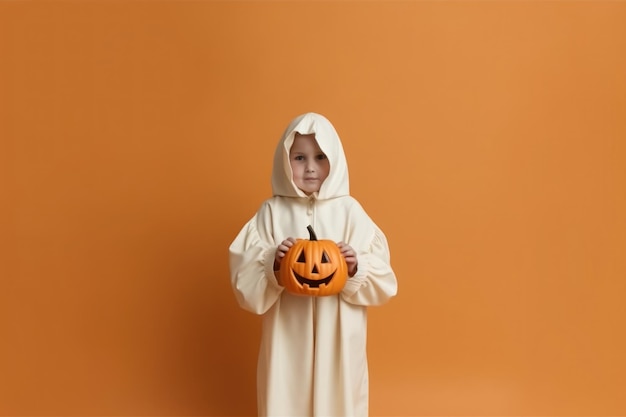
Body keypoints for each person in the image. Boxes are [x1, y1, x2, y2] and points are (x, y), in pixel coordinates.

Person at [229, 112, 398, 417]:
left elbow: (385, 282)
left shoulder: (350, 212)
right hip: (287, 336)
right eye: (299, 158)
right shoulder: (271, 213)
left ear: (335, 158)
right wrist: (273, 265)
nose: (310, 168)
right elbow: (245, 284)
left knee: (340, 397)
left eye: (320, 157)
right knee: (285, 394)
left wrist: (357, 266)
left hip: (340, 338)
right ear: (284, 161)